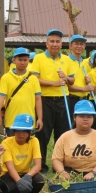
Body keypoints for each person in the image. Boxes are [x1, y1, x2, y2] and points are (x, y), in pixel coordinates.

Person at [31, 29, 76, 173]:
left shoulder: (67, 59)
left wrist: (66, 78)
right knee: (42, 134)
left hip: (63, 100)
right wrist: (53, 83)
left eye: (58, 41)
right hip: (45, 100)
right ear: (47, 43)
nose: (55, 44)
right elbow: (34, 79)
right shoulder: (38, 58)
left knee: (63, 134)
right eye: (52, 41)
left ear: (61, 44)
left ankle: (61, 166)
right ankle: (41, 166)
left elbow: (72, 80)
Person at [52, 100, 96, 193]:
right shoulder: (65, 137)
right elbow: (56, 159)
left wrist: (93, 173)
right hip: (71, 172)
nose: (85, 119)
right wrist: (62, 172)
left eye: (89, 117)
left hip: (94, 171)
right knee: (61, 185)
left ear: (93, 118)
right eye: (81, 116)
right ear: (74, 117)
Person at [0, 114, 44, 193]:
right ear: (14, 130)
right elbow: (10, 167)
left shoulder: (34, 141)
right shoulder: (6, 142)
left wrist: (28, 176)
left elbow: (38, 165)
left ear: (30, 132)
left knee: (39, 180)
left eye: (24, 131)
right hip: (7, 175)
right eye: (18, 130)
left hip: (25, 173)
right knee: (14, 186)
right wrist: (19, 181)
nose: (20, 134)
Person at [0, 47, 43, 137]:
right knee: (11, 147)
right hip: (11, 121)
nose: (23, 62)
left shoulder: (33, 78)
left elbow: (38, 99)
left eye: (25, 60)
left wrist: (39, 118)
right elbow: (1, 96)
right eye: (20, 60)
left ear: (28, 60)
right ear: (14, 60)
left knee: (27, 148)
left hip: (29, 121)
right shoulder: (6, 78)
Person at [66, 35, 92, 119]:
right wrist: (84, 89)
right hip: (71, 99)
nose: (79, 46)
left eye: (82, 44)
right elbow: (67, 86)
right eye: (76, 44)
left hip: (85, 99)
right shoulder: (65, 61)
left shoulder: (85, 63)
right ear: (70, 46)